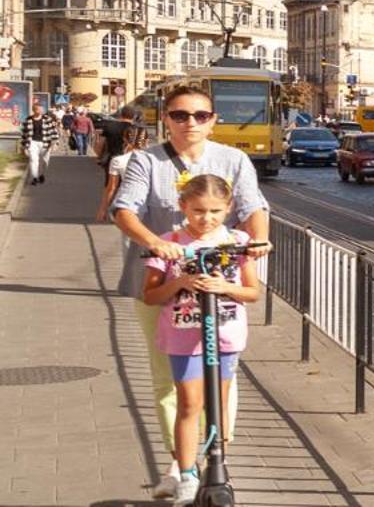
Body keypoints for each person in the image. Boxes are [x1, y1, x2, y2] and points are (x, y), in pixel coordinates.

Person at [111, 80, 270, 501]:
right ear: (166, 119)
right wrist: (156, 242)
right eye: (180, 115)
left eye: (200, 115)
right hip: (164, 279)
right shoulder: (146, 161)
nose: (190, 123)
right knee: (169, 380)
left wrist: (257, 243)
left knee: (221, 382)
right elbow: (123, 209)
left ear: (213, 121)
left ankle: (213, 455)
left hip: (219, 285)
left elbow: (255, 208)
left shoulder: (233, 159)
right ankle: (181, 466)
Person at [142, 174, 261, 506]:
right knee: (190, 404)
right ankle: (187, 473)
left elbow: (252, 292)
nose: (206, 219)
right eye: (197, 211)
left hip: (224, 334)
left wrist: (226, 288)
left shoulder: (238, 241)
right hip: (183, 336)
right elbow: (150, 295)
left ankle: (217, 467)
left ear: (229, 208)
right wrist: (181, 281)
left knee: (218, 404)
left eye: (214, 211)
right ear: (183, 206)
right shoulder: (170, 241)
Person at [98, 123, 148, 224]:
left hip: (128, 206)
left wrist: (103, 209)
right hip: (151, 206)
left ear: (124, 139)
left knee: (130, 237)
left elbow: (111, 188)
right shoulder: (154, 160)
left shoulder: (117, 161)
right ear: (146, 141)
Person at [23, 100, 61, 184]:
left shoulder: (48, 119)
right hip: (32, 142)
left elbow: (54, 131)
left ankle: (42, 174)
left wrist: (55, 143)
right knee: (33, 160)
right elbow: (24, 134)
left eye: (41, 110)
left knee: (45, 161)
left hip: (46, 143)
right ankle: (35, 177)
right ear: (34, 110)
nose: (40, 111)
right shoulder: (28, 119)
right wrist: (25, 147)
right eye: (38, 109)